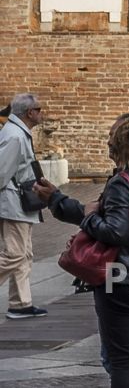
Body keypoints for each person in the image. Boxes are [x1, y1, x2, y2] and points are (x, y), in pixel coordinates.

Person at [38, 114, 129, 388]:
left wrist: (90, 217)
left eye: (112, 141)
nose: (108, 144)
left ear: (121, 147)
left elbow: (116, 231)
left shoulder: (122, 182)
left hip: (123, 281)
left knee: (124, 360)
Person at [2, 93, 47, 320]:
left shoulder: (18, 132)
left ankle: (20, 303)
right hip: (13, 201)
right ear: (30, 113)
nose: (42, 113)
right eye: (39, 109)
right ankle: (20, 303)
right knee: (14, 254)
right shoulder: (15, 137)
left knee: (24, 254)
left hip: (20, 200)